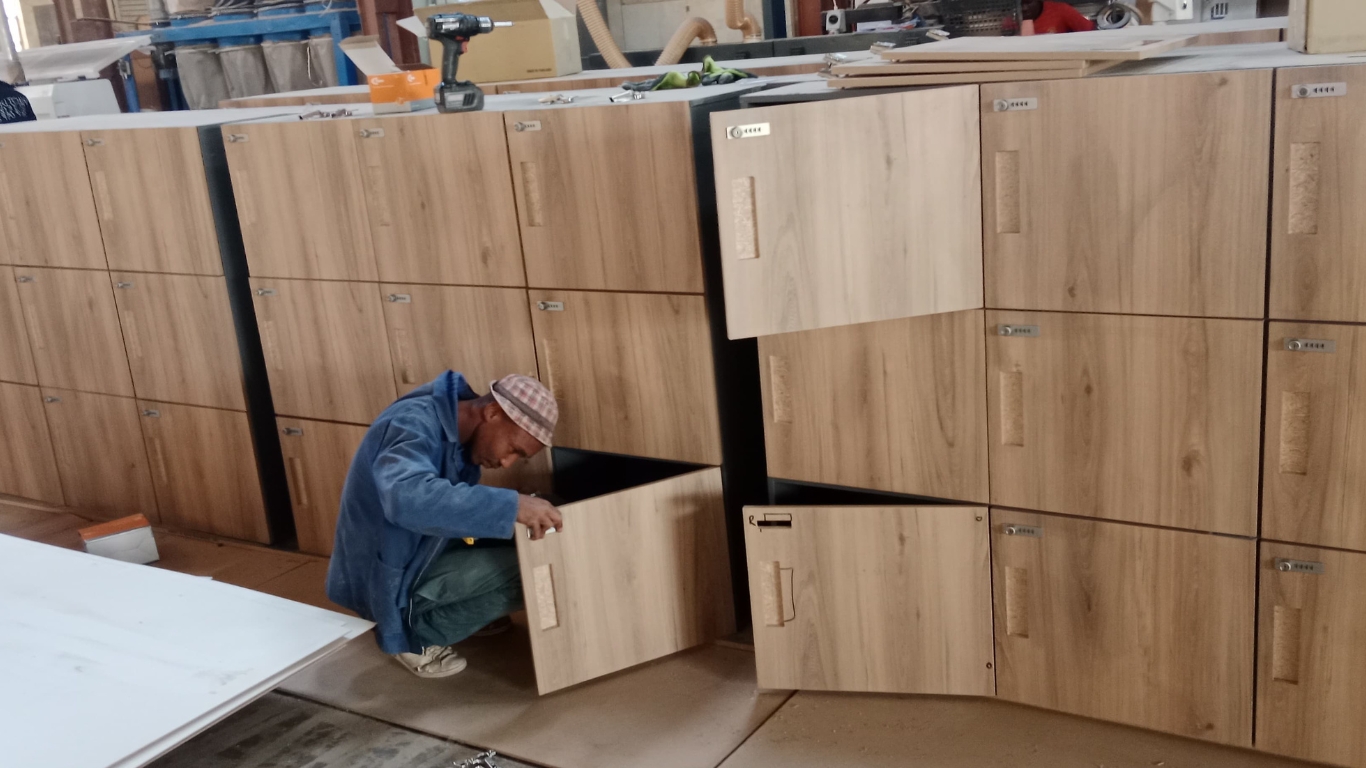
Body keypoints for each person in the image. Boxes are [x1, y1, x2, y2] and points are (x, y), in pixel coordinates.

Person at [326, 370, 564, 678]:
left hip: (419, 551)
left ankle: (463, 611)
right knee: (528, 569)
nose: (507, 463)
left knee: (527, 540)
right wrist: (512, 505)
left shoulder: (454, 427)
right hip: (384, 578)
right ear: (492, 412)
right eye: (513, 449)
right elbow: (406, 498)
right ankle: (414, 636)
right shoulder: (411, 423)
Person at [1021, 0, 1096, 34]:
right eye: (1020, 4)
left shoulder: (1061, 10)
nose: (1024, 8)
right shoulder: (1013, 20)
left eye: (1028, 2)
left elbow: (1092, 33)